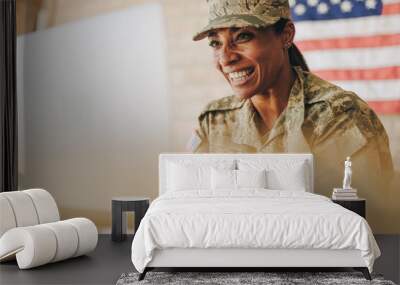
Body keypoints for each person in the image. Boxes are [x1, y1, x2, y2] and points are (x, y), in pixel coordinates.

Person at [189, 0, 395, 230]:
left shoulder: (340, 116)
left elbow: (373, 223)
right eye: (216, 43)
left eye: (243, 37)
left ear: (286, 35)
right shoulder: (214, 121)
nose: (225, 58)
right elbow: (194, 210)